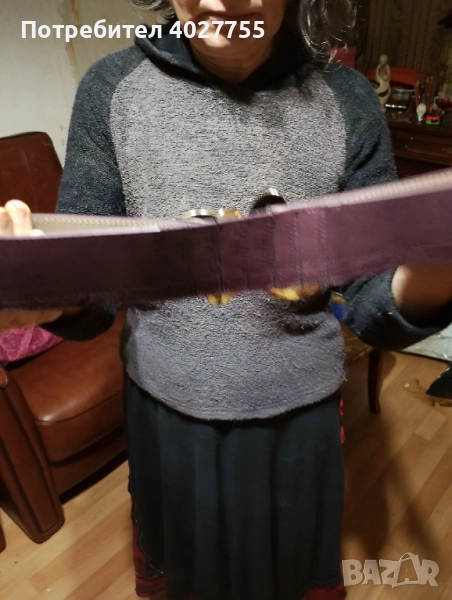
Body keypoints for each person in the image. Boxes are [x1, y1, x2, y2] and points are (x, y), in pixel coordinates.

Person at [1, 1, 452, 598]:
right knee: (188, 571)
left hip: (299, 414)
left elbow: (370, 300)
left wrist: (438, 268)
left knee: (287, 570)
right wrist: (48, 296)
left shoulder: (347, 100)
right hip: (165, 409)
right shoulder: (111, 89)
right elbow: (94, 288)